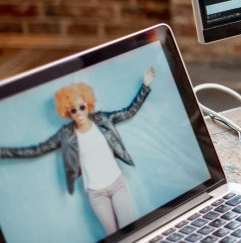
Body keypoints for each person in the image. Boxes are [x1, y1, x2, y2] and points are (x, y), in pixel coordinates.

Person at [1, 68, 155, 234]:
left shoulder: (103, 119)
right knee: (115, 237)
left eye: (82, 107)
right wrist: (3, 152)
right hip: (96, 195)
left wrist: (145, 86)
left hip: (118, 185)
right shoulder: (65, 134)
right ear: (68, 112)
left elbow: (128, 112)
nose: (79, 113)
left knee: (132, 233)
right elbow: (37, 150)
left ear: (88, 105)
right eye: (73, 109)